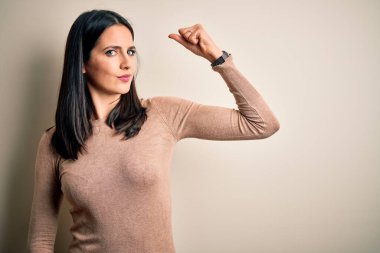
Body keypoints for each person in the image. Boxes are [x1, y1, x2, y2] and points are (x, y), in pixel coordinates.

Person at [27, 9, 280, 253]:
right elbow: (41, 238)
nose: (128, 63)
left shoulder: (162, 114)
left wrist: (218, 58)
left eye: (131, 51)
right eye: (112, 52)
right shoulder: (54, 141)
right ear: (82, 63)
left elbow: (261, 123)